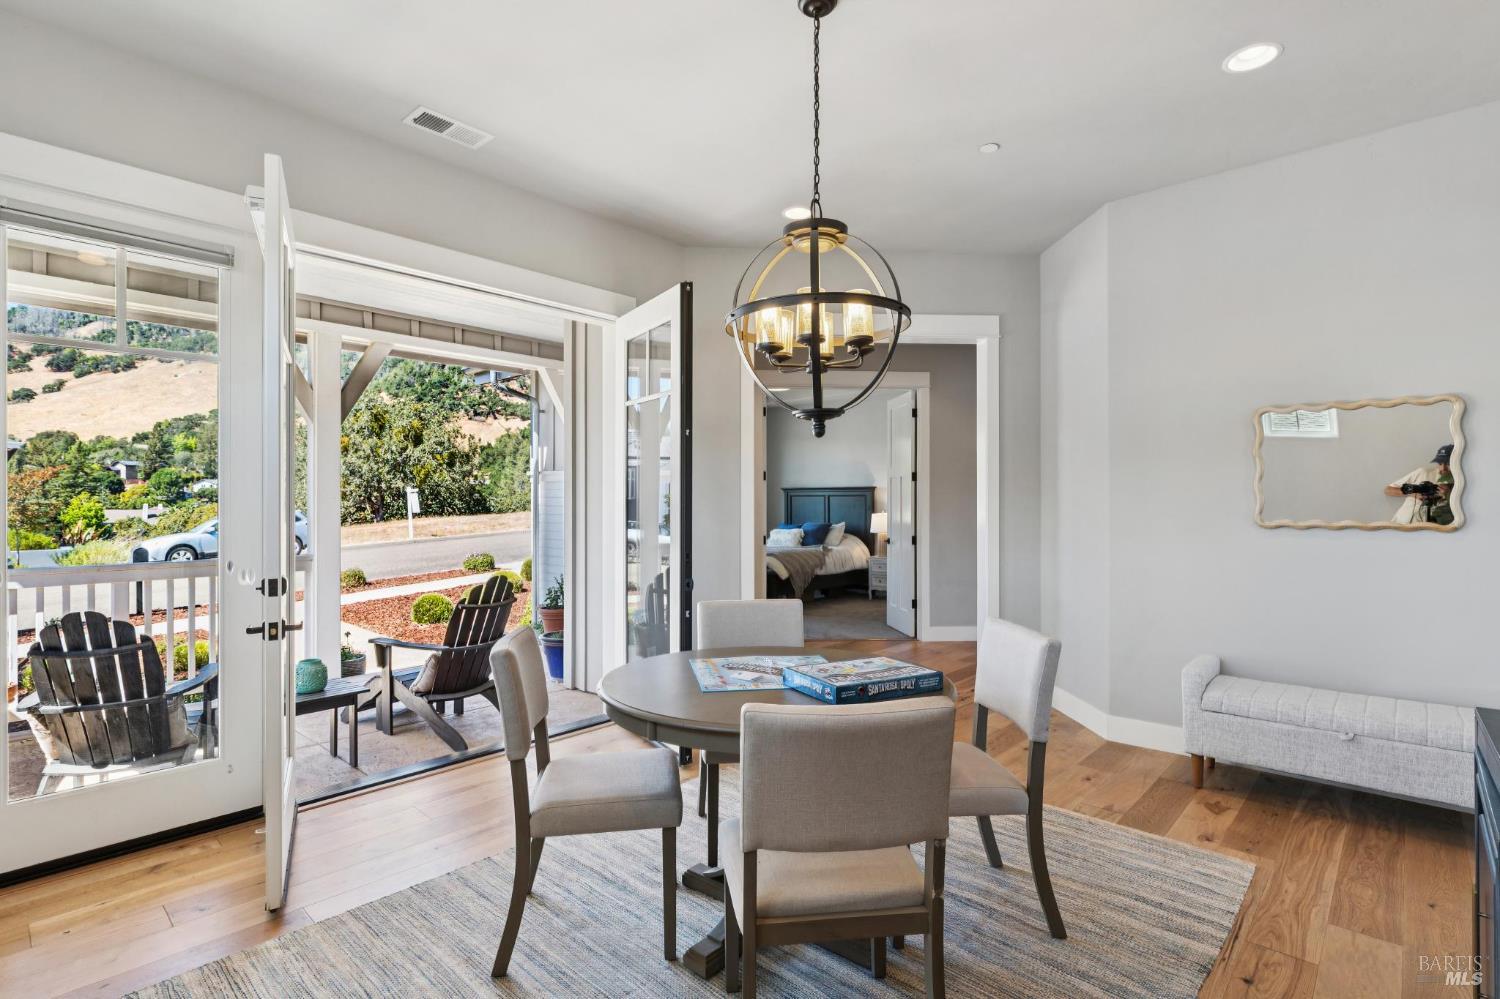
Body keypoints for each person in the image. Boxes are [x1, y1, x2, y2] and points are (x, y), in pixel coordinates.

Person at [1385, 444, 1453, 524]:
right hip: (1402, 522)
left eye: (1448, 463)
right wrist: (1413, 494)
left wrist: (1448, 495)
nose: (1443, 468)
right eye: (1440, 463)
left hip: (1430, 528)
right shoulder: (1423, 472)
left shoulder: (1458, 484)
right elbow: (1388, 490)